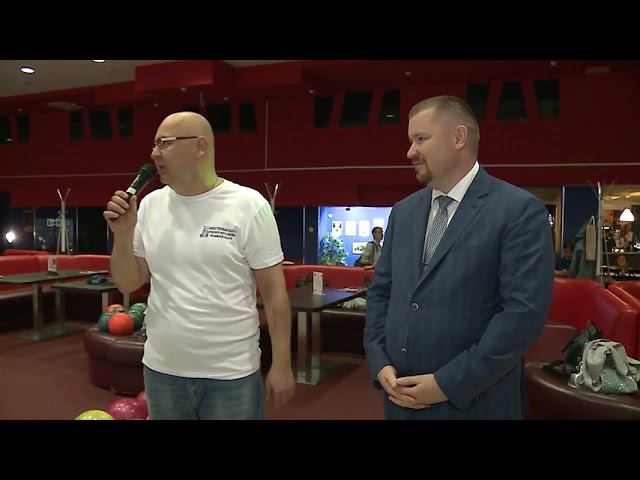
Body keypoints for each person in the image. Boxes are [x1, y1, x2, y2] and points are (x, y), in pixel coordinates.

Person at [363, 96, 554, 420]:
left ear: (458, 137)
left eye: (421, 139)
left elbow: (522, 315)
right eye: (411, 140)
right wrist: (379, 360)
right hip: (399, 402)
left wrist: (447, 384)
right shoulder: (403, 212)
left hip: (476, 404)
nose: (410, 152)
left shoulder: (518, 211)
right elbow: (381, 292)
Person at [103, 111, 295, 420]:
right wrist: (123, 236)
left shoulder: (249, 205)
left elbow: (274, 294)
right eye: (154, 144)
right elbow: (127, 283)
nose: (154, 154)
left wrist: (282, 364)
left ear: (200, 146)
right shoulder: (149, 205)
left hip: (230, 374)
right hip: (162, 370)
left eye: (164, 143)